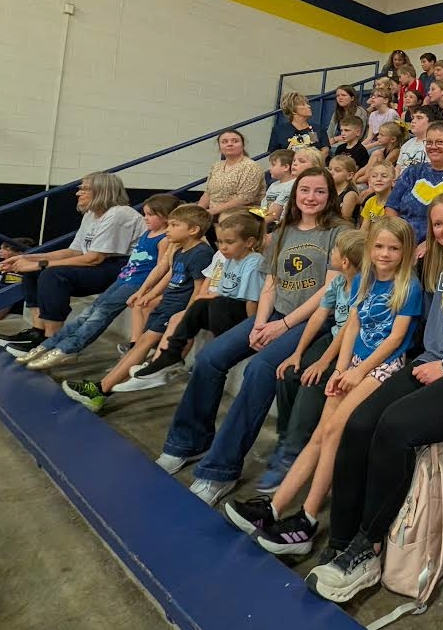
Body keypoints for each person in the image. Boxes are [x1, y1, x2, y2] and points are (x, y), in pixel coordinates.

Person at [305, 193, 443, 602]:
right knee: (359, 423)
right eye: (438, 224)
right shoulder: (440, 261)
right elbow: (384, 274)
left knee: (395, 427)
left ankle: (368, 548)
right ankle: (341, 540)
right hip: (433, 360)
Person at [225, 218, 423, 554]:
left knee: (332, 434)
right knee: (320, 434)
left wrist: (360, 373)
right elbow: (352, 326)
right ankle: (276, 507)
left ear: (405, 252)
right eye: (379, 247)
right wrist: (341, 367)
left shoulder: (409, 286)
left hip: (382, 369)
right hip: (354, 366)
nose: (385, 254)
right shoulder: (365, 279)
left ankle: (308, 518)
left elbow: (395, 339)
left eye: (393, 248)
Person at [153, 168, 349, 506]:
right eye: (305, 190)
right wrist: (260, 323)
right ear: (295, 194)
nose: (311, 197)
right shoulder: (282, 230)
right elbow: (271, 282)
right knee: (211, 357)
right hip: (272, 315)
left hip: (310, 321)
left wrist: (283, 326)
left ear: (330, 196)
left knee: (260, 370)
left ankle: (220, 470)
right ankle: (187, 442)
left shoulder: (339, 232)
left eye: (319, 191)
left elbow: (330, 292)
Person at [61, 204, 215, 409]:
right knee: (142, 343)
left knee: (143, 344)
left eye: (174, 225)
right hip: (167, 304)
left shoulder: (201, 253)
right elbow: (168, 275)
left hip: (175, 309)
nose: (167, 229)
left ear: (194, 229)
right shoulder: (180, 250)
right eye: (168, 224)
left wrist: (187, 315)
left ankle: (104, 389)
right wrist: (145, 293)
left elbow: (199, 289)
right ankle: (103, 389)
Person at [252, 229, 364, 494]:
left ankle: (293, 452)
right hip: (332, 339)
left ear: (345, 261)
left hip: (349, 346)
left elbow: (350, 328)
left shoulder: (363, 285)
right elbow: (318, 317)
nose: (331, 254)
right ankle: (287, 437)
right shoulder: (338, 283)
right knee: (290, 371)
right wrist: (297, 353)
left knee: (312, 380)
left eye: (335, 251)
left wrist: (323, 363)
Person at [13, 195, 179, 368]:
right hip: (124, 279)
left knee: (100, 314)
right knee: (89, 312)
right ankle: (47, 345)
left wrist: (145, 291)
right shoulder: (147, 233)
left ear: (166, 217)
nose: (145, 218)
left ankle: (68, 348)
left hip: (136, 284)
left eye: (150, 215)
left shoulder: (165, 240)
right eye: (144, 214)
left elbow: (161, 269)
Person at [0, 172, 145, 350]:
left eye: (84, 189)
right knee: (32, 272)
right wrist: (26, 258)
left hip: (125, 268)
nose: (78, 193)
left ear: (102, 190)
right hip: (101, 264)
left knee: (53, 275)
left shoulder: (118, 214)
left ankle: (51, 341)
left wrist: (40, 263)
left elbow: (94, 259)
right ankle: (37, 332)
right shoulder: (91, 215)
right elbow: (73, 251)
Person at [125, 209, 265, 388]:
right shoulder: (229, 257)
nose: (222, 247)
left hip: (245, 317)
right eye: (220, 242)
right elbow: (220, 290)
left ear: (249, 242)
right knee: (200, 304)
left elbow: (252, 302)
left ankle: (217, 348)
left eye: (229, 242)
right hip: (227, 310)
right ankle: (171, 355)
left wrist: (252, 330)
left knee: (215, 303)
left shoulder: (254, 262)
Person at [385, 120, 443, 254]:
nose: (433, 147)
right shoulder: (413, 172)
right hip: (403, 241)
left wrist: (431, 243)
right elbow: (391, 207)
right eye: (429, 142)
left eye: (440, 142)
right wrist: (399, 238)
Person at [269, 92, 330, 157]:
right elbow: (273, 155)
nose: (309, 106)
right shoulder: (279, 130)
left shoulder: (317, 129)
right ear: (293, 110)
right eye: (303, 104)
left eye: (307, 104)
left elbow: (325, 150)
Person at [261, 150, 295, 227]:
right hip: (266, 220)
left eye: (273, 165)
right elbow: (264, 207)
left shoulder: (294, 184)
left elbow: (276, 215)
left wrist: (257, 224)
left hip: (280, 225)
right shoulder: (273, 185)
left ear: (286, 167)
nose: (269, 168)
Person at [395, 107, 429, 174]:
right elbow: (398, 168)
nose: (413, 121)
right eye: (413, 118)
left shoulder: (433, 145)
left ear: (431, 123)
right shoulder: (407, 144)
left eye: (419, 118)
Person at [328, 155, 361, 223]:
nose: (331, 172)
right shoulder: (328, 189)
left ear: (349, 175)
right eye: (330, 169)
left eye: (337, 170)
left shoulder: (350, 195)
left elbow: (343, 221)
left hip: (342, 230)